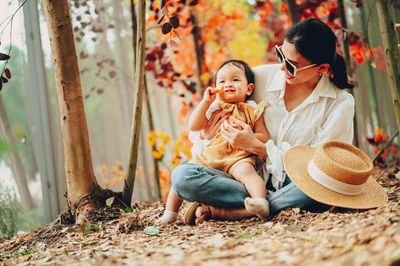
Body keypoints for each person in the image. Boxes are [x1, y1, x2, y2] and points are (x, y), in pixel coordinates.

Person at [171, 18, 356, 226]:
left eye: (291, 66)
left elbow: (325, 166)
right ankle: (263, 202)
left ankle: (235, 210)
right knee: (182, 177)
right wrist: (206, 134)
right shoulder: (259, 77)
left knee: (320, 186)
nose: (282, 69)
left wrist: (259, 147)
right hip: (243, 176)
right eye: (280, 56)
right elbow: (206, 120)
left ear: (321, 68)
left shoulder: (340, 104)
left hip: (297, 183)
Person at [160, 60, 270, 224]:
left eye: (235, 80)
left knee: (249, 174)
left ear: (249, 89)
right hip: (211, 156)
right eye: (222, 81)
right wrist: (205, 102)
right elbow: (194, 126)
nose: (228, 84)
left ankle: (261, 203)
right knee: (181, 172)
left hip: (239, 158)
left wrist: (249, 137)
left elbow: (264, 137)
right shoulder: (215, 106)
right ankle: (170, 214)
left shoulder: (252, 109)